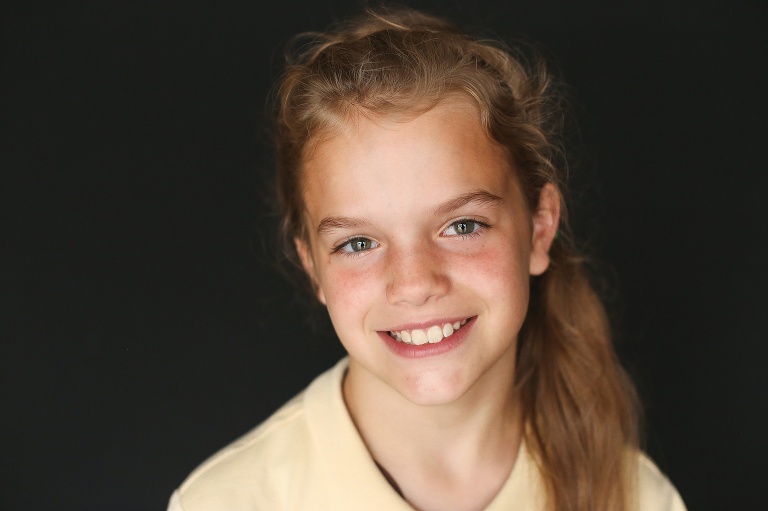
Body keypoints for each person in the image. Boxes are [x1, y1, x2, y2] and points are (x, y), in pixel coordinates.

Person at [168, 7, 686, 511]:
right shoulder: (225, 502)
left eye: (462, 226)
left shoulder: (638, 499)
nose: (414, 283)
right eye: (358, 243)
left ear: (539, 227)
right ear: (312, 266)